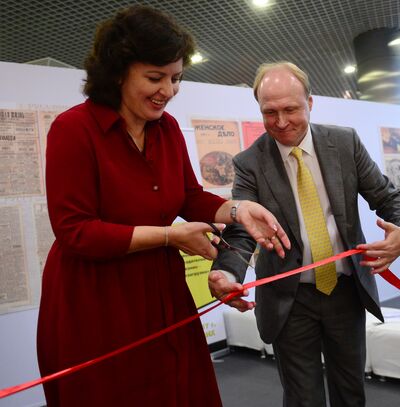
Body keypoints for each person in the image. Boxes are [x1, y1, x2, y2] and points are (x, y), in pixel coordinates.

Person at [37, 6, 290, 407]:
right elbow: (76, 231)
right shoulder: (74, 130)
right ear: (118, 72)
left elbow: (188, 196)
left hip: (160, 291)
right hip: (97, 301)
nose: (168, 90)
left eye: (176, 79)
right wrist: (171, 237)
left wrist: (239, 209)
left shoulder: (167, 129)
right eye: (155, 78)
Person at [209, 61, 400, 407]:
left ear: (311, 101)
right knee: (302, 398)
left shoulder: (344, 143)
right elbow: (243, 230)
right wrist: (227, 271)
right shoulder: (249, 162)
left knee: (350, 392)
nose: (281, 122)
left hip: (345, 290)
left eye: (291, 109)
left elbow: (388, 197)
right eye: (269, 112)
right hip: (288, 298)